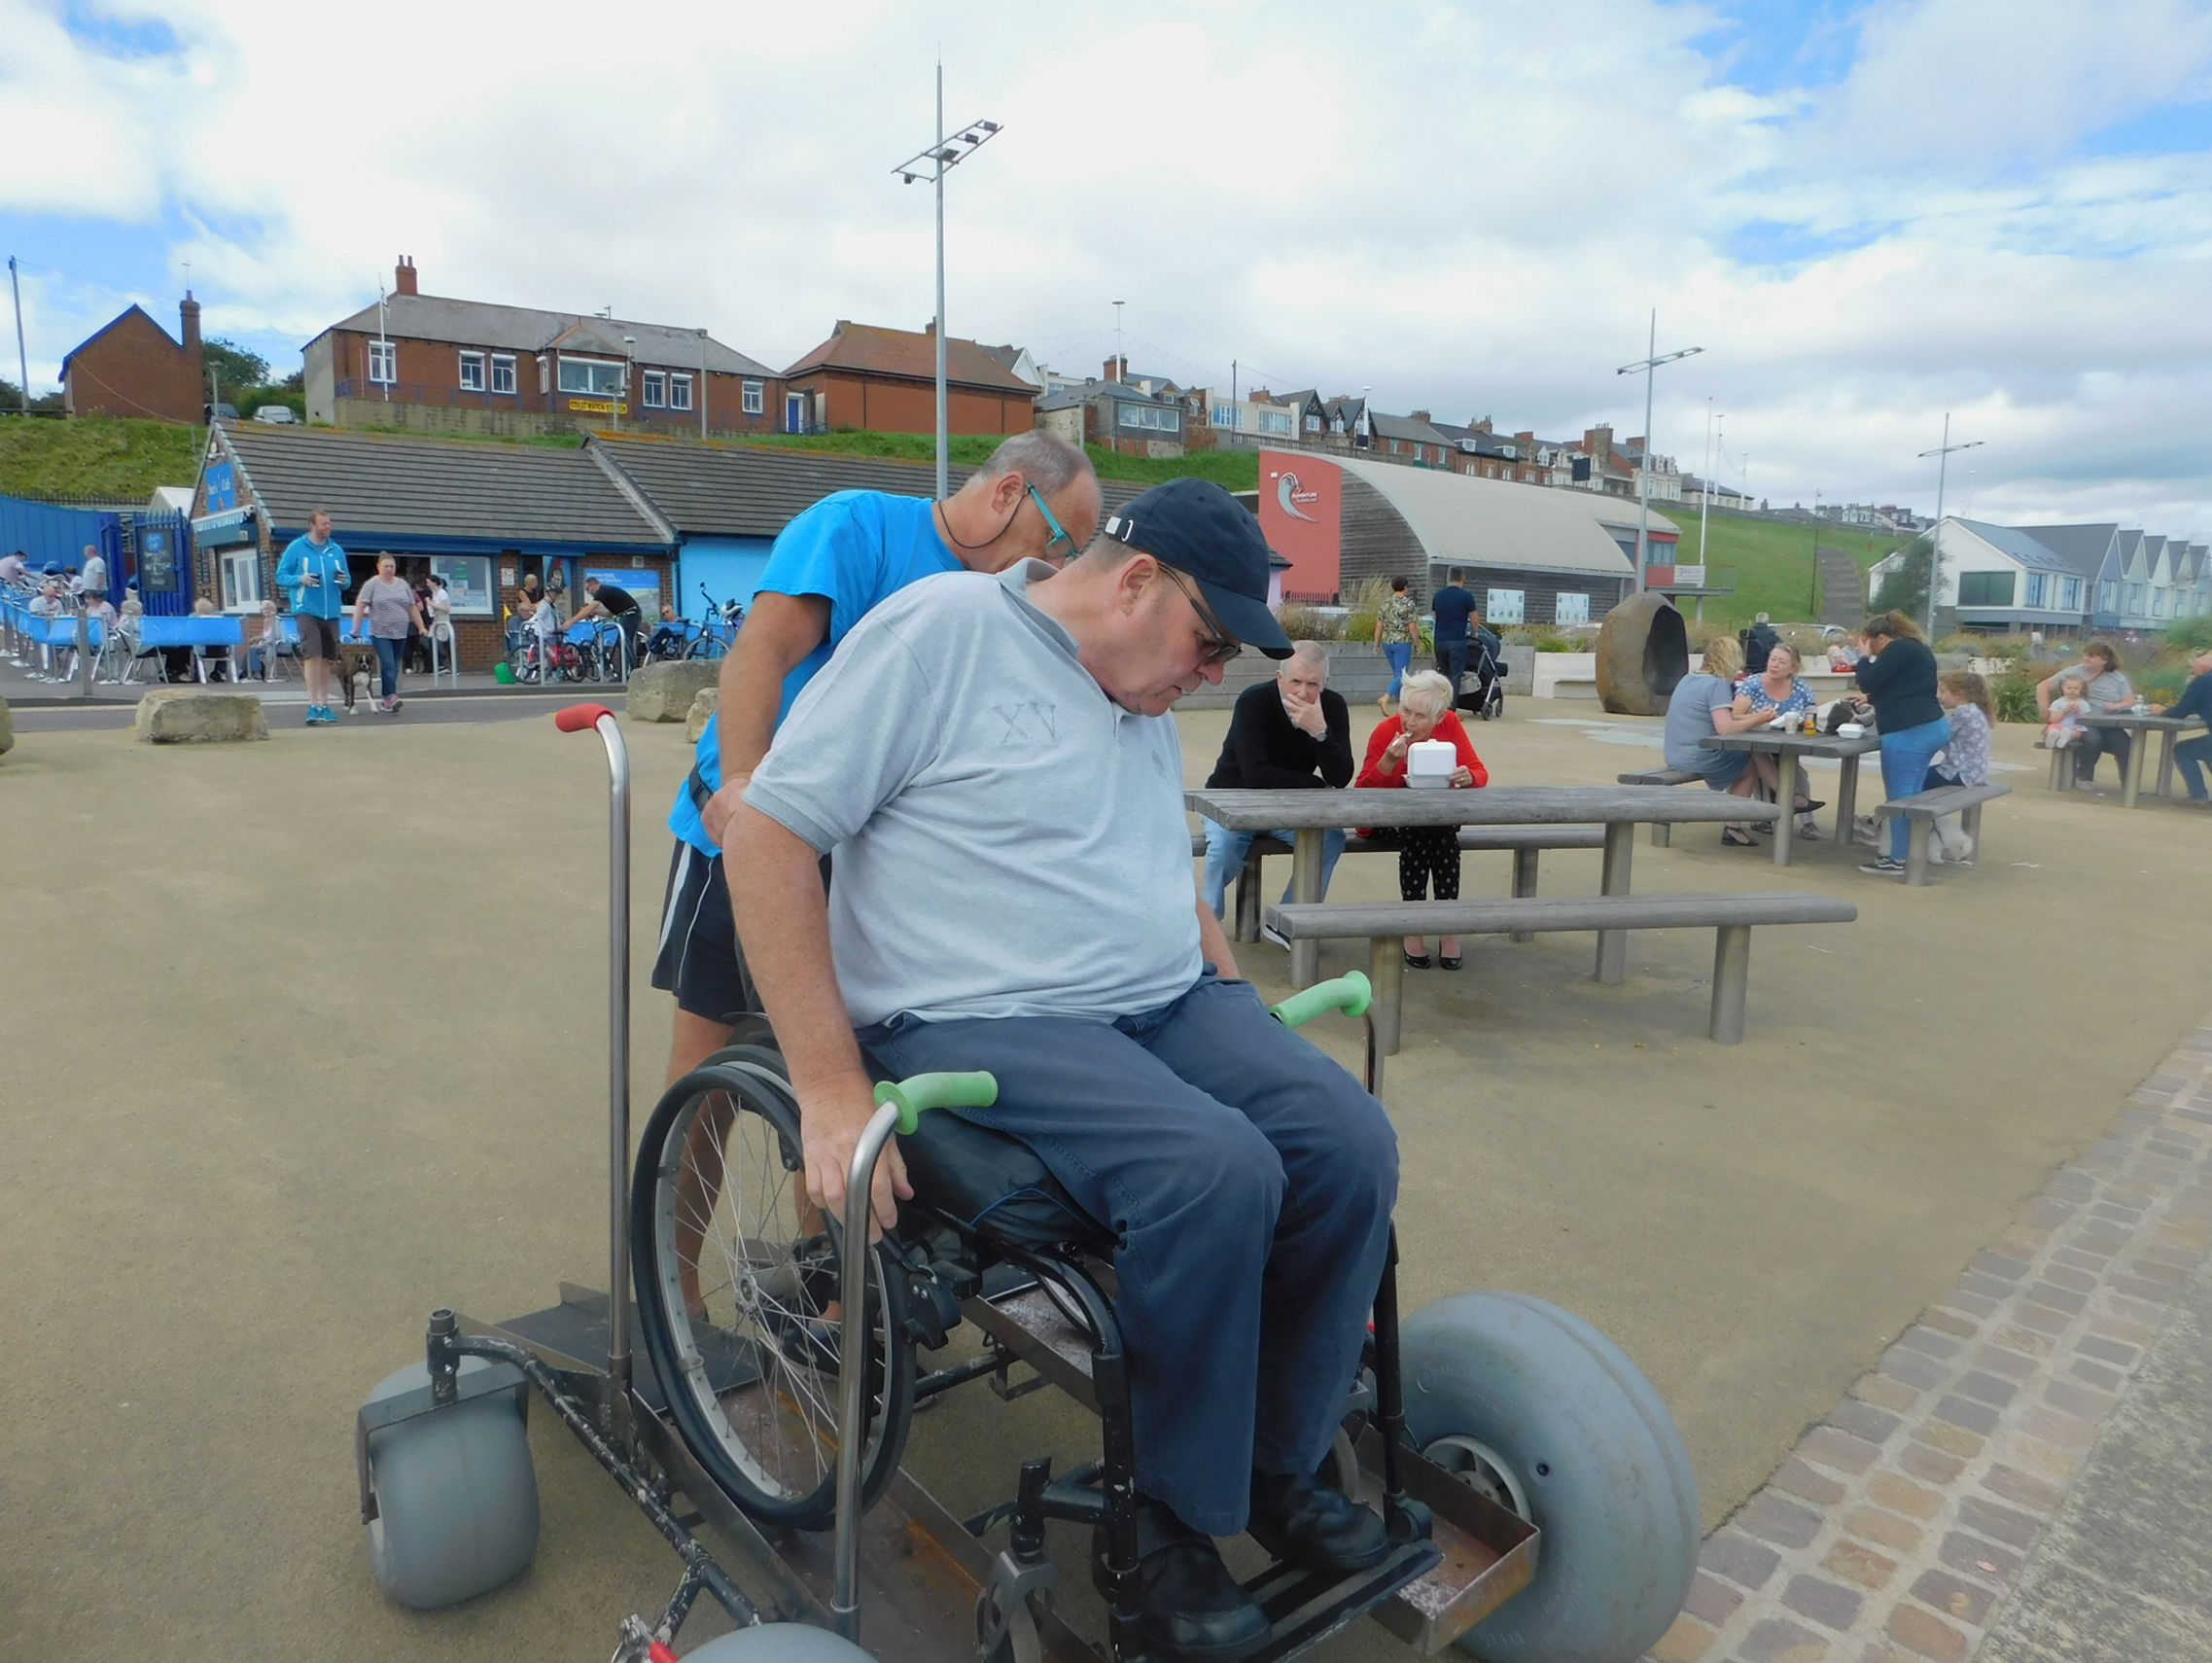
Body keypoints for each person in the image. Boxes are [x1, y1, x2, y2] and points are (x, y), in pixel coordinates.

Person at [730, 476, 1393, 1660]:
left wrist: (1234, 1002)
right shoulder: (943, 633)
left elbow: (1165, 875)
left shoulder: (1136, 690)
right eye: (1209, 642)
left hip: (1162, 1001)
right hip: (981, 1014)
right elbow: (773, 834)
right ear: (1135, 581)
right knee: (1214, 1171)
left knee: (1347, 1140)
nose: (1213, 673)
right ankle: (1164, 1534)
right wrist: (828, 1089)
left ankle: (1275, 1466)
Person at [655, 429, 1103, 1095]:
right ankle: (670, 1204)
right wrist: (745, 793)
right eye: (1056, 544)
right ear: (1009, 492)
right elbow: (760, 655)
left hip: (878, 860)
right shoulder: (857, 527)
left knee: (845, 1071)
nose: (1057, 568)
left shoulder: (1010, 600)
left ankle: (835, 1198)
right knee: (712, 1060)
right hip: (757, 826)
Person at [1199, 642, 1354, 934]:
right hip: (1231, 798)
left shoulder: (1332, 706)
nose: (1302, 692)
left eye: (1312, 684)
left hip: (1289, 808)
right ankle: (1206, 921)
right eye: (1295, 681)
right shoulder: (1253, 702)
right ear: (1280, 678)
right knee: (1224, 848)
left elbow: (1342, 775)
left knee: (1331, 838)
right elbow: (1256, 775)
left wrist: (1320, 733)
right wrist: (1315, 784)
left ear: (1325, 683)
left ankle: (1285, 921)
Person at [1355, 669, 1489, 970]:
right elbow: (1362, 795)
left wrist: (1468, 776)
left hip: (1436, 820)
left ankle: (1446, 924)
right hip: (1389, 821)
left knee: (1441, 836)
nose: (1409, 722)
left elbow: (1479, 770)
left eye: (1420, 716)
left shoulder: (1451, 725)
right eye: (1406, 711)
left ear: (1440, 718)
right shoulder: (1385, 731)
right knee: (1426, 835)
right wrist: (1389, 761)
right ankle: (1415, 925)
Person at [1851, 611, 1947, 878]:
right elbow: (1899, 684)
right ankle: (1913, 850)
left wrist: (1862, 657)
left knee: (1900, 799)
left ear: (1881, 637)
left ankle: (1900, 858)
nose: (1871, 647)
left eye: (1870, 641)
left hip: (1909, 732)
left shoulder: (1896, 648)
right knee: (1912, 794)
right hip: (1932, 725)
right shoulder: (1916, 649)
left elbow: (1868, 679)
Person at [1662, 635, 1764, 844]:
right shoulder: (1717, 685)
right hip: (1696, 756)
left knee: (1746, 757)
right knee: (1748, 766)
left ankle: (1789, 798)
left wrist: (1756, 717)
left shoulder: (1688, 679)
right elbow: (1725, 728)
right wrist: (1759, 719)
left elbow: (1720, 717)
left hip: (1674, 753)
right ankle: (1733, 827)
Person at [1732, 642, 1825, 837]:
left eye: (1781, 662)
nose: (1774, 665)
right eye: (1772, 659)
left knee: (1796, 771)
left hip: (1788, 741)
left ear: (1793, 668)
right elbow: (1735, 715)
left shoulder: (1801, 689)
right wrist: (1759, 718)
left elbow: (1811, 715)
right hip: (1753, 741)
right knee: (1759, 760)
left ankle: (1807, 823)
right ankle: (1772, 812)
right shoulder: (1753, 684)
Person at [273, 508, 350, 725]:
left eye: (329, 523)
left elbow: (348, 582)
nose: (328, 527)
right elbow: (281, 576)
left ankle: (325, 705)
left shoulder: (336, 550)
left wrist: (343, 580)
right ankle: (313, 704)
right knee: (312, 655)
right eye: (324, 523)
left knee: (327, 658)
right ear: (312, 525)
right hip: (305, 609)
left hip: (332, 611)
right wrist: (301, 579)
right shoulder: (297, 548)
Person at [2034, 641, 2134, 789]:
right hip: (2082, 722)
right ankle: (2083, 777)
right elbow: (2042, 686)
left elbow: (2130, 700)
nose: (2087, 658)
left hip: (2108, 723)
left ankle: (2129, 785)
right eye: (2086, 654)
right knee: (2094, 739)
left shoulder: (2117, 678)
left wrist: (2117, 705)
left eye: (2093, 656)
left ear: (2105, 660)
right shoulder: (2075, 671)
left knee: (2126, 745)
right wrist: (2045, 712)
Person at [1925, 671, 1994, 863]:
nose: (1940, 696)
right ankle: (1937, 837)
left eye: (1943, 691)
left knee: (1910, 789)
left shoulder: (1963, 713)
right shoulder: (1977, 711)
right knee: (1920, 783)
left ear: (1960, 693)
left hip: (1957, 773)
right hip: (1974, 774)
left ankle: (1940, 837)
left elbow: (1938, 736)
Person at [353, 553, 428, 714]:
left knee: (394, 667)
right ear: (379, 567)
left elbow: (412, 607)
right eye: (385, 566)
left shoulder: (402, 584)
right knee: (388, 664)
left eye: (392, 566)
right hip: (380, 632)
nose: (389, 569)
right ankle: (389, 697)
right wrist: (356, 628)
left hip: (400, 632)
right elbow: (360, 605)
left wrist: (421, 627)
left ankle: (387, 699)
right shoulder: (372, 584)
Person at [2144, 649, 2212, 805]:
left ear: (2203, 668)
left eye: (2193, 669)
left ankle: (2198, 796)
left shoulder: (2203, 681)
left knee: (2183, 750)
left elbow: (2179, 712)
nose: (2192, 673)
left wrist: (2161, 710)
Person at [1371, 576, 1419, 714]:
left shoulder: (1385, 604)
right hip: (1402, 642)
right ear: (1405, 587)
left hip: (1387, 642)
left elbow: (1379, 625)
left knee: (1397, 675)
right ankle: (1385, 698)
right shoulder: (1408, 604)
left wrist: (1376, 643)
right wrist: (1418, 644)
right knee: (1402, 675)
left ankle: (1401, 705)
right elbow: (1413, 627)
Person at [1431, 567, 1476, 691]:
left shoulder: (1438, 595)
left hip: (1439, 640)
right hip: (1457, 640)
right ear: (1463, 578)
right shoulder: (1467, 596)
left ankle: (1440, 706)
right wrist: (1473, 633)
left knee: (1442, 674)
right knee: (1455, 675)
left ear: (1449, 578)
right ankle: (1450, 708)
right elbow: (1474, 620)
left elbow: (1435, 616)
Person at [2043, 676, 2093, 752]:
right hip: (2059, 726)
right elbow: (2053, 720)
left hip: (2074, 727)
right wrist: (2065, 711)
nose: (2072, 691)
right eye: (2069, 688)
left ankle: (2066, 737)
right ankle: (2052, 738)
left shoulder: (2083, 704)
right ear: (2063, 688)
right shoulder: (2057, 703)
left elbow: (2085, 721)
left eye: (2076, 688)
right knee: (2052, 729)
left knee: (2076, 733)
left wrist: (2079, 712)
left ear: (2081, 689)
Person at [244, 600, 283, 680]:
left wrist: (262, 642)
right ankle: (248, 672)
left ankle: (256, 672)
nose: (265, 611)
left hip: (276, 645)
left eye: (268, 609)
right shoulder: (266, 621)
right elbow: (266, 637)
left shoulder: (277, 621)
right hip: (267, 645)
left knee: (253, 650)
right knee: (251, 649)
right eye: (264, 609)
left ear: (273, 610)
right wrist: (259, 639)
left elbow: (277, 636)